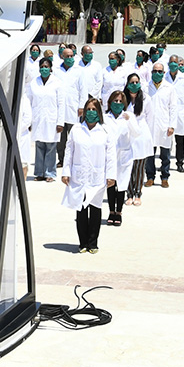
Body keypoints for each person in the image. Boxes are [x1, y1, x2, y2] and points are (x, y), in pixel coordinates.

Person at [61, 97, 116, 253]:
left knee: (96, 208)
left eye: (94, 109)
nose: (91, 112)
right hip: (79, 175)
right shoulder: (76, 129)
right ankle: (82, 242)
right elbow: (69, 151)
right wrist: (66, 172)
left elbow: (111, 155)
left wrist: (111, 175)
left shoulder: (105, 131)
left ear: (99, 112)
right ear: (84, 112)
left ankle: (93, 243)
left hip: (97, 175)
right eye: (88, 110)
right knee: (81, 208)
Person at [103, 90, 138, 226]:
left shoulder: (128, 116)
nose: (117, 104)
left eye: (120, 101)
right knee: (111, 183)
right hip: (110, 156)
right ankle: (111, 211)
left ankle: (119, 212)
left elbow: (136, 133)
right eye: (115, 101)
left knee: (122, 184)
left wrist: (129, 121)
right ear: (110, 102)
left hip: (125, 155)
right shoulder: (105, 118)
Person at [27, 58, 64, 181]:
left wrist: (60, 122)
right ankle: (39, 173)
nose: (44, 69)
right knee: (39, 145)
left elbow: (61, 104)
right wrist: (29, 121)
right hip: (37, 119)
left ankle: (50, 173)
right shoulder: (34, 83)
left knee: (50, 147)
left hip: (52, 119)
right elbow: (29, 102)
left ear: (51, 68)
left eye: (46, 66)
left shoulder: (57, 82)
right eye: (42, 66)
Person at [54, 47, 88, 167]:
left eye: (71, 56)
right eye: (67, 56)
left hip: (74, 107)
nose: (69, 58)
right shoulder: (56, 70)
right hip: (59, 108)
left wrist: (82, 106)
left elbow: (84, 90)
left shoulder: (79, 71)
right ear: (62, 57)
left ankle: (74, 159)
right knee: (61, 136)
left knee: (74, 135)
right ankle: (62, 159)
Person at [145, 62, 176, 188]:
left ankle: (164, 177)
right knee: (149, 154)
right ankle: (150, 177)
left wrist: (172, 125)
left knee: (165, 154)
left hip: (164, 124)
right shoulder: (145, 87)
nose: (157, 74)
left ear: (164, 73)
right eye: (154, 71)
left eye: (159, 71)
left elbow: (173, 107)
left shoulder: (169, 88)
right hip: (149, 125)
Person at [124, 74, 152, 206]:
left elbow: (150, 119)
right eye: (132, 82)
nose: (134, 84)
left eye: (136, 82)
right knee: (128, 166)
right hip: (127, 136)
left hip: (142, 136)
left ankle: (138, 193)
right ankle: (129, 194)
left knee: (140, 167)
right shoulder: (123, 99)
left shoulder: (146, 99)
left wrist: (148, 137)